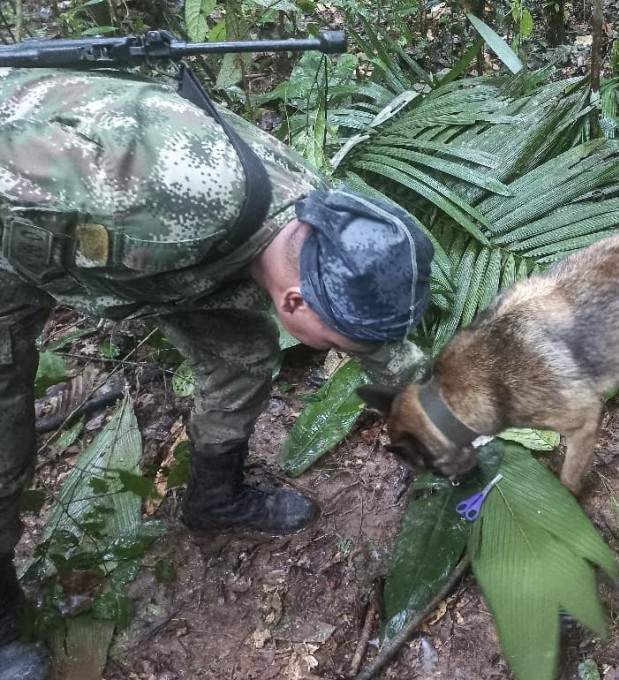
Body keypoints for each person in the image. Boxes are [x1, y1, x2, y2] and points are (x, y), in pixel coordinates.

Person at [0, 66, 434, 679]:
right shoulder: (153, 195)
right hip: (18, 226)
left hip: (156, 256)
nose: (342, 353)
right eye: (336, 344)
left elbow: (376, 341)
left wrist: (438, 417)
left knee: (242, 355)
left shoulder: (321, 224)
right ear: (295, 304)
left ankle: (215, 497)